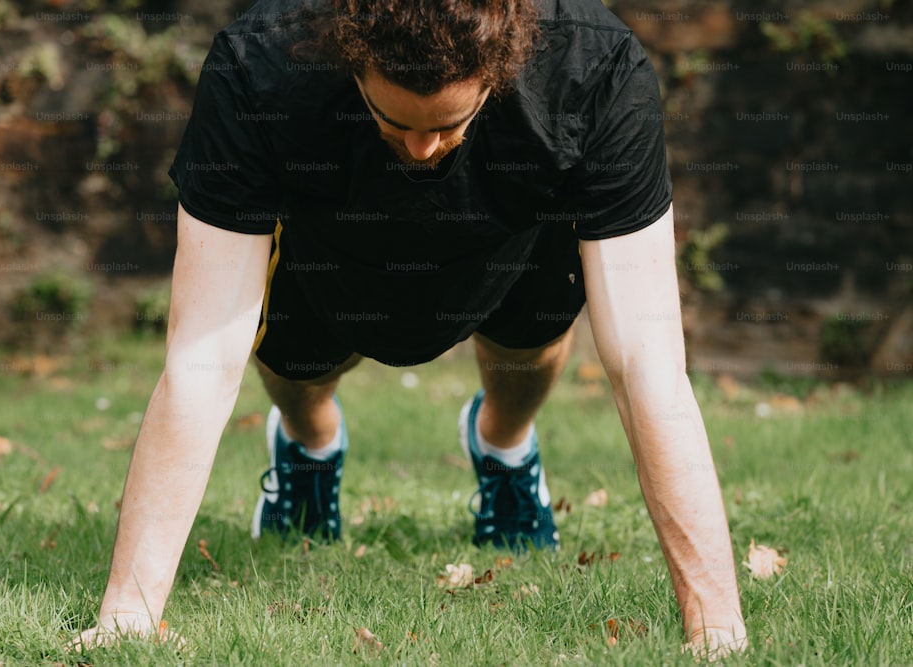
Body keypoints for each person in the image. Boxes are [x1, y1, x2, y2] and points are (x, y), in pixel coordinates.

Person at [73, 0, 747, 657]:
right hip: (327, 260)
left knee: (529, 357)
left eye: (449, 123)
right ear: (351, 57)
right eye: (393, 118)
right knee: (296, 376)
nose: (423, 148)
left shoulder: (595, 69)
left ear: (499, 70)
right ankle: (310, 447)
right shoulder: (259, 66)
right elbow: (202, 357)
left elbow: (647, 363)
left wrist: (715, 628)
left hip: (511, 247)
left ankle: (505, 450)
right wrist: (128, 613)